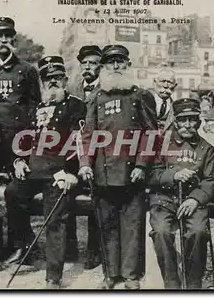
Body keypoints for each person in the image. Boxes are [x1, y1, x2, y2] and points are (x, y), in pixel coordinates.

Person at [78, 45, 158, 289]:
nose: (115, 67)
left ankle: (131, 276)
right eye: (110, 62)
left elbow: (151, 133)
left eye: (120, 62)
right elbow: (88, 135)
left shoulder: (140, 96)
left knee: (132, 224)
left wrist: (142, 165)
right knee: (107, 224)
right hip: (103, 171)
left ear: (128, 65)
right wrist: (85, 164)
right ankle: (110, 274)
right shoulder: (96, 98)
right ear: (103, 67)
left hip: (132, 171)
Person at [4, 56, 86, 289]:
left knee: (54, 219)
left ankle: (53, 276)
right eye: (48, 79)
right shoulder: (35, 108)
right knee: (12, 193)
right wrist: (19, 161)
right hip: (34, 170)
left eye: (57, 78)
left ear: (65, 80)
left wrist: (71, 172)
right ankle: (26, 243)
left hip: (60, 171)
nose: (53, 82)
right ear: (42, 83)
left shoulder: (75, 105)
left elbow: (79, 141)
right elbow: (22, 140)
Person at [0, 16, 41, 264]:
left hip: (18, 144)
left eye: (7, 35)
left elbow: (35, 109)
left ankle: (20, 245)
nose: (3, 40)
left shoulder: (26, 70)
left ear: (14, 39)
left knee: (17, 193)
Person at [148, 98, 214, 289]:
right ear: (175, 121)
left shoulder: (206, 148)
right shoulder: (161, 143)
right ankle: (171, 283)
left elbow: (212, 180)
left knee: (197, 232)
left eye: (192, 120)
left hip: (192, 202)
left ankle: (193, 282)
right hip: (164, 200)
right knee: (161, 231)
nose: (187, 125)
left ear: (198, 122)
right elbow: (151, 174)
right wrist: (173, 175)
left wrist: (195, 199)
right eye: (182, 120)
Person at [64, 45, 103, 269]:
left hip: (97, 153)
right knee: (65, 191)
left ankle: (94, 250)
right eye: (85, 63)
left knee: (96, 198)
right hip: (74, 152)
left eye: (93, 63)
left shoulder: (106, 90)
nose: (88, 67)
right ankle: (69, 247)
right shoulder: (72, 89)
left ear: (100, 66)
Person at [151, 68, 177, 132]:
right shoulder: (143, 104)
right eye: (162, 81)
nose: (166, 85)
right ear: (154, 83)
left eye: (170, 82)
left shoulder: (176, 108)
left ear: (175, 86)